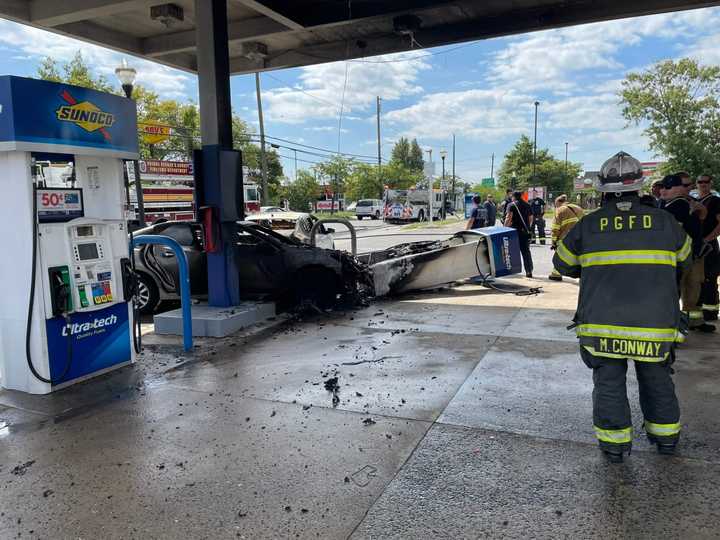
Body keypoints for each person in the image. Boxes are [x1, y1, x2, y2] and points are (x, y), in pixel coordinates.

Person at [553, 151, 691, 463]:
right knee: (657, 379)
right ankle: (666, 439)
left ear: (601, 191)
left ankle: (614, 447)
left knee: (608, 383)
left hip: (602, 324)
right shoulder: (666, 222)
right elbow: (685, 259)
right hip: (654, 324)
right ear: (640, 188)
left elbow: (561, 264)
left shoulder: (589, 226)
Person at [661, 174, 714, 332]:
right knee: (680, 289)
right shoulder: (669, 204)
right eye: (662, 187)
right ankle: (675, 325)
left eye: (667, 188)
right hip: (681, 256)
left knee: (693, 288)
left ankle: (693, 322)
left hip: (690, 255)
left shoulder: (680, 204)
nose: (663, 191)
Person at [697, 174, 720, 321]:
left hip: (709, 246)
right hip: (697, 246)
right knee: (697, 279)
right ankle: (698, 313)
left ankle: (711, 313)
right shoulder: (696, 201)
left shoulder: (716, 201)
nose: (703, 184)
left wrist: (707, 239)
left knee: (709, 279)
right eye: (700, 182)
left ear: (710, 183)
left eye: (706, 182)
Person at [548, 194, 583, 281]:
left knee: (560, 256)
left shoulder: (559, 210)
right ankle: (582, 275)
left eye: (556, 205)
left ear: (558, 203)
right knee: (580, 257)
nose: (556, 207)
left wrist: (553, 242)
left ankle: (556, 274)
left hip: (565, 238)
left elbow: (555, 228)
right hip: (580, 237)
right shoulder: (578, 208)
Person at [505, 191, 534, 277]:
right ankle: (529, 271)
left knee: (511, 251)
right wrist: (527, 227)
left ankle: (512, 271)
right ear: (521, 196)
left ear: (513, 197)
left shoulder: (511, 205)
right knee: (526, 251)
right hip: (524, 232)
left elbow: (508, 218)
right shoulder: (527, 205)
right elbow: (531, 218)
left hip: (513, 232)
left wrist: (504, 228)